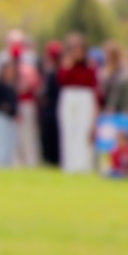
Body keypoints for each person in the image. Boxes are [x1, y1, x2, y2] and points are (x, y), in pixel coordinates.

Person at [55, 35, 99, 173]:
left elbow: (93, 84)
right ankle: (70, 164)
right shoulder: (66, 64)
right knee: (69, 129)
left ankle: (83, 164)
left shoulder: (90, 66)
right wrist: (67, 66)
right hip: (69, 97)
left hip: (84, 98)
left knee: (83, 130)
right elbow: (61, 81)